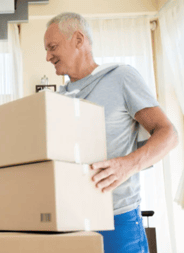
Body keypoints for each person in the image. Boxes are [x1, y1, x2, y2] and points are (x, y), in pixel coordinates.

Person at [44, 12, 178, 253]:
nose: (47, 56)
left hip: (118, 221)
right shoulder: (58, 98)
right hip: (70, 223)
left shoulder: (121, 77)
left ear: (78, 39)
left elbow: (168, 133)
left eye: (52, 47)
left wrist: (129, 165)